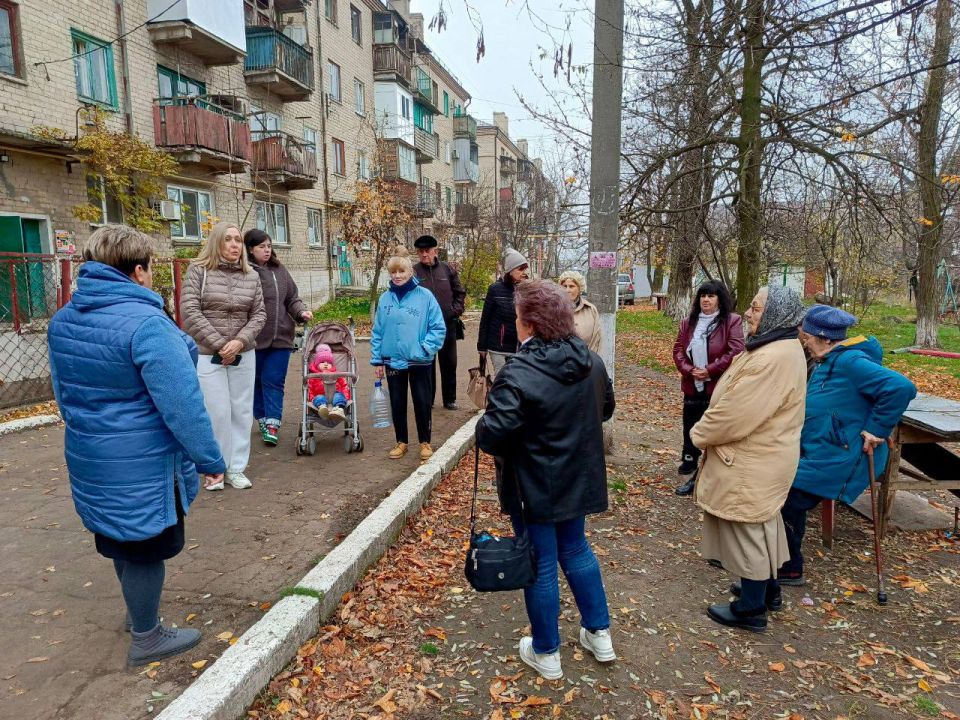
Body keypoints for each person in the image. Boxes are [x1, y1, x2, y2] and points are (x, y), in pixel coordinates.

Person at [47, 224, 226, 666]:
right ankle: (148, 637)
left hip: (92, 454)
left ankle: (137, 612)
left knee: (119, 536)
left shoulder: (64, 320)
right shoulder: (148, 325)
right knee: (146, 545)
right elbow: (183, 406)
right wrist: (209, 458)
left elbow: (63, 393)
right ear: (140, 271)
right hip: (144, 462)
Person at [477, 279, 616, 681]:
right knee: (575, 549)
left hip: (534, 485)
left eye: (518, 317)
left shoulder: (518, 373)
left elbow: (492, 436)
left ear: (530, 323)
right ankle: (599, 633)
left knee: (541, 562)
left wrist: (487, 421)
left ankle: (547, 651)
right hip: (577, 478)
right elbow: (605, 408)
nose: (516, 323)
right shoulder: (591, 363)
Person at [691, 285, 807, 632]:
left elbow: (734, 415)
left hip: (753, 460)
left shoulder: (772, 358)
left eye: (756, 308)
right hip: (764, 456)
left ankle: (750, 609)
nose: (748, 313)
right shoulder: (777, 346)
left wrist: (699, 434)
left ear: (775, 314)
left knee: (748, 530)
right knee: (762, 524)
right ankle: (767, 590)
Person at [779, 305, 917, 584]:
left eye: (808, 337)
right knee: (785, 496)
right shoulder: (828, 360)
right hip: (821, 450)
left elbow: (900, 387)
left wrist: (876, 429)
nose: (805, 343)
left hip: (842, 455)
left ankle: (789, 568)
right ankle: (786, 565)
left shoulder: (850, 362)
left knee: (788, 499)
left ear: (825, 338)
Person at [181, 222, 265, 490]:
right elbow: (190, 311)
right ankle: (216, 468)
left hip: (243, 353)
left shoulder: (251, 275)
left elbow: (259, 314)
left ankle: (236, 468)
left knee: (241, 411)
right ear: (216, 242)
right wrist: (221, 345)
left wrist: (239, 342)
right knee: (216, 411)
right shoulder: (199, 271)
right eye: (228, 239)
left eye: (238, 240)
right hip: (209, 354)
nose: (234, 245)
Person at [370, 249, 447, 461]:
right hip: (392, 361)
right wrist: (377, 360)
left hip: (419, 360)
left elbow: (438, 327)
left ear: (410, 272)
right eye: (393, 272)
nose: (397, 276)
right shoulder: (385, 298)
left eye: (401, 271)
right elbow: (377, 331)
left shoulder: (425, 297)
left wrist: (424, 348)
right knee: (397, 402)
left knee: (422, 402)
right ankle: (401, 441)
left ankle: (425, 442)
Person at [672, 281, 744, 495]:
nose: (706, 299)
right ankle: (689, 458)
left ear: (720, 299)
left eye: (711, 296)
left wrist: (710, 370)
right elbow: (678, 350)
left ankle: (710, 466)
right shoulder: (688, 322)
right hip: (692, 382)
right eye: (703, 295)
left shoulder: (731, 321)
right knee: (690, 421)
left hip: (717, 384)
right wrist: (690, 370)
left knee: (713, 425)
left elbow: (735, 350)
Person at [244, 228, 312, 446]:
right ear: (250, 249)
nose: (266, 250)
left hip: (281, 337)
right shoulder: (244, 272)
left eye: (269, 246)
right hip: (254, 339)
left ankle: (273, 422)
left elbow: (292, 298)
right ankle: (262, 418)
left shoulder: (279, 270)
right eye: (261, 246)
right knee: (256, 381)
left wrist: (301, 312)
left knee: (273, 380)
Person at [413, 234, 467, 410]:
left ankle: (450, 399)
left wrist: (454, 311)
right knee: (427, 364)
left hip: (447, 325)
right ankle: (428, 399)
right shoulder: (414, 272)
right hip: (424, 328)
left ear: (435, 251)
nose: (424, 254)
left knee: (449, 363)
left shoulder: (447, 269)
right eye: (420, 251)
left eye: (427, 251)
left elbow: (459, 292)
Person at [478, 249, 529, 375]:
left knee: (517, 379)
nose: (524, 273)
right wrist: (482, 347)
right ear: (510, 270)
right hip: (498, 346)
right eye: (520, 269)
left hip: (518, 346)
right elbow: (485, 320)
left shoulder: (526, 290)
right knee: (501, 379)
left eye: (525, 269)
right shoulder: (495, 289)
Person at [558, 270, 601, 353]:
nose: (567, 290)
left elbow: (596, 339)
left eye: (571, 286)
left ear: (579, 289)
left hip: (586, 358)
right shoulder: (553, 310)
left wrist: (589, 358)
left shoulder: (590, 309)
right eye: (564, 286)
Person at [308, 343, 351, 422]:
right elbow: (310, 389)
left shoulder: (337, 374)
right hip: (320, 396)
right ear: (316, 364)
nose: (326, 364)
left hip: (335, 395)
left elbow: (344, 386)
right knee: (318, 398)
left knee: (339, 396)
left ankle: (339, 409)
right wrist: (312, 398)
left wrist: (346, 397)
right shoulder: (313, 377)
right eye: (322, 362)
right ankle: (323, 409)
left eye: (328, 362)